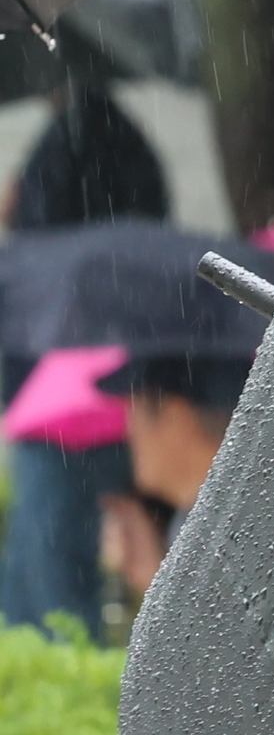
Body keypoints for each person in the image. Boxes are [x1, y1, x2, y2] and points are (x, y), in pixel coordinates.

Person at [0, 85, 171, 632]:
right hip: (131, 384)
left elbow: (36, 233)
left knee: (48, 591)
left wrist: (18, 200)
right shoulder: (128, 143)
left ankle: (66, 692)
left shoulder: (61, 145)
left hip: (59, 400)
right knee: (121, 559)